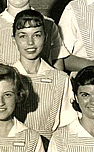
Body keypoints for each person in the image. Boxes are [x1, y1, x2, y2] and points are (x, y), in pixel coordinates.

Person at [11, 10, 77, 143]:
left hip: (50, 150)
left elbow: (68, 124)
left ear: (46, 38)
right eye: (23, 36)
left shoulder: (61, 79)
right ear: (14, 40)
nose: (30, 42)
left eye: (37, 35)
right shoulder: (6, 77)